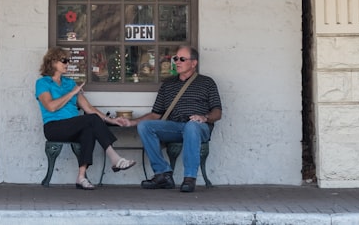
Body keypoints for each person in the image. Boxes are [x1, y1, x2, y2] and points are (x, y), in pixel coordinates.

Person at [115, 45, 222, 193]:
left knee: (191, 126)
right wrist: (133, 122)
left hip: (199, 127)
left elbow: (218, 112)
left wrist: (204, 117)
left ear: (194, 63)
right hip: (176, 127)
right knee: (145, 126)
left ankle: (189, 178)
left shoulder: (207, 83)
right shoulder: (168, 84)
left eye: (182, 59)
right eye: (175, 59)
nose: (177, 62)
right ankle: (163, 174)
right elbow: (155, 114)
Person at [36, 46, 136, 190]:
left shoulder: (69, 83)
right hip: (54, 126)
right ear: (52, 62)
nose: (67, 64)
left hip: (73, 126)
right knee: (91, 120)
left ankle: (81, 177)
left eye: (68, 61)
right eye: (64, 61)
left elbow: (89, 108)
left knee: (89, 128)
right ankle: (114, 158)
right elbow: (51, 107)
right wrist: (72, 94)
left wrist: (112, 120)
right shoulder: (43, 83)